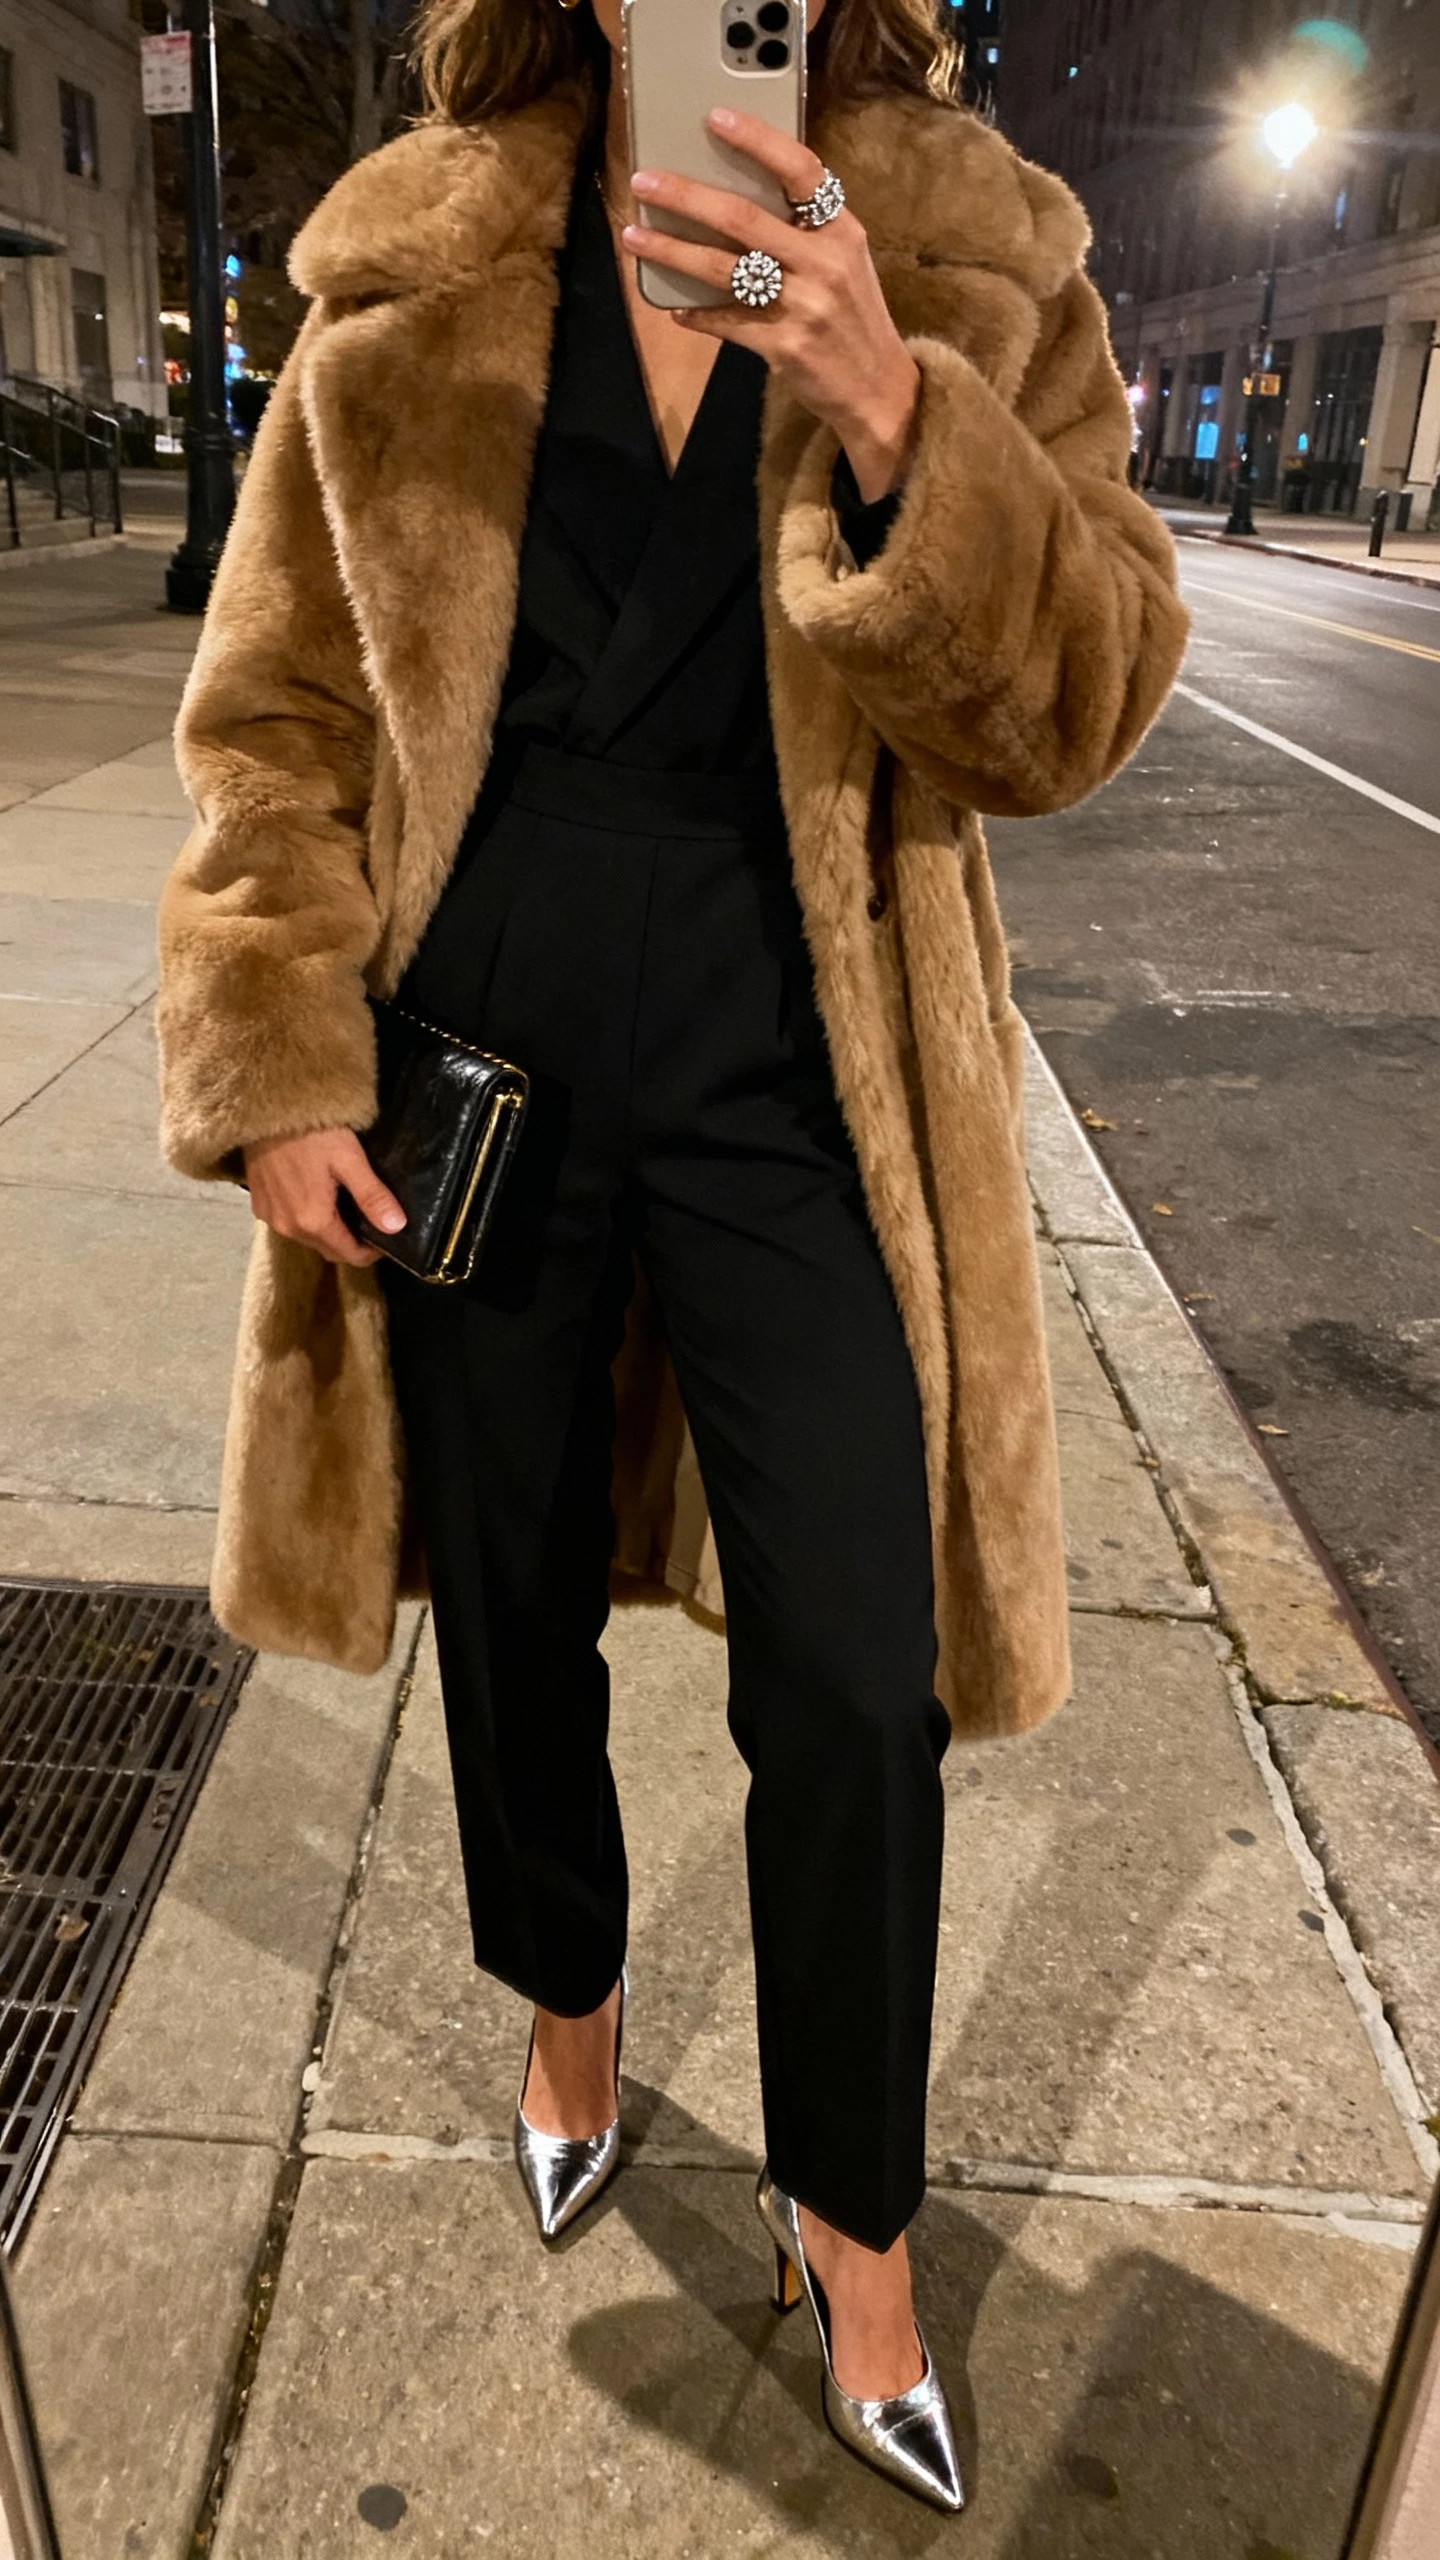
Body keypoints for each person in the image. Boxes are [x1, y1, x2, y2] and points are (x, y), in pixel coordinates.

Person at [156, 0, 1186, 2510]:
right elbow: (273, 697)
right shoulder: (422, 239)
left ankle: (857, 2223)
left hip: (802, 1033)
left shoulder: (972, 246)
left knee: (856, 1666)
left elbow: (1085, 691)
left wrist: (904, 426)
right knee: (502, 1599)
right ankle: (573, 2007)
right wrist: (280, 1045)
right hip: (472, 1042)